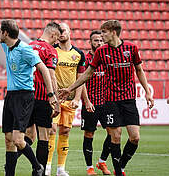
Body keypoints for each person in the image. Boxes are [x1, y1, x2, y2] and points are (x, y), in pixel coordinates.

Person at [58, 20, 154, 176]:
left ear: (113, 32)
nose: (101, 36)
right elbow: (87, 74)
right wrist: (70, 88)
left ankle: (119, 165)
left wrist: (147, 92)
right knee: (115, 135)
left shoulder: (131, 48)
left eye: (104, 33)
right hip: (109, 100)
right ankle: (116, 171)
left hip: (129, 99)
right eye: (99, 34)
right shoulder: (102, 52)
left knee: (135, 137)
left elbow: (139, 70)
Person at [0, 9, 59, 176]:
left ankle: (37, 167)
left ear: (5, 33)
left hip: (24, 96)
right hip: (11, 96)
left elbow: (43, 68)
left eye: (0, 31)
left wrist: (50, 95)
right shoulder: (7, 45)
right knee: (8, 140)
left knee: (19, 140)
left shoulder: (26, 49)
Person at [18, 22, 62, 174]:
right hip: (43, 97)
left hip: (26, 96)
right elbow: (50, 75)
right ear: (53, 35)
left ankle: (11, 160)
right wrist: (55, 100)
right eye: (57, 38)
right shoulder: (50, 50)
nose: (57, 42)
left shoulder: (28, 46)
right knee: (44, 136)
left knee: (28, 135)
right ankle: (39, 171)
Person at [45, 23, 86, 176]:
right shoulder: (52, 50)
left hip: (69, 99)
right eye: (59, 31)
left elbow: (80, 78)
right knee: (52, 130)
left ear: (70, 32)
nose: (61, 33)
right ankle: (47, 167)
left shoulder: (79, 54)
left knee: (66, 131)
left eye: (64, 30)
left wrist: (77, 98)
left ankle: (60, 168)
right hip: (54, 98)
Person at [81, 30, 111, 175]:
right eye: (95, 41)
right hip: (90, 103)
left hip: (106, 103)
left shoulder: (107, 58)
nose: (98, 43)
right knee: (89, 135)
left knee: (114, 134)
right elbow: (82, 81)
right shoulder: (86, 59)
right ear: (90, 42)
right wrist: (86, 101)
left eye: (100, 41)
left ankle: (102, 162)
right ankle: (89, 168)